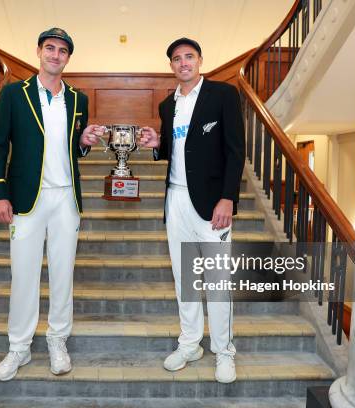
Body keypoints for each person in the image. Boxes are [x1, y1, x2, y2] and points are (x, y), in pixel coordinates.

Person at [0, 27, 103, 381]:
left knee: (62, 273)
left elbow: (72, 147)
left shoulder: (78, 99)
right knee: (23, 274)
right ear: (39, 51)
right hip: (26, 199)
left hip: (66, 198)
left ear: (68, 58)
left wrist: (83, 142)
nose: (56, 55)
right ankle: (19, 348)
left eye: (63, 51)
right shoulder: (12, 94)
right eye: (50, 48)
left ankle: (57, 339)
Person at [139, 37, 245, 383]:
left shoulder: (223, 96)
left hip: (213, 204)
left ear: (200, 61)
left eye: (189, 57)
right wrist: (157, 146)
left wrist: (228, 197)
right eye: (176, 59)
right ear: (171, 66)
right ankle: (189, 343)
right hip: (176, 200)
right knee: (185, 279)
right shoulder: (167, 105)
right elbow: (174, 148)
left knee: (216, 280)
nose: (183, 62)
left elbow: (235, 150)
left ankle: (223, 350)